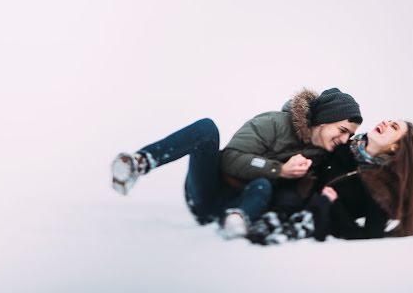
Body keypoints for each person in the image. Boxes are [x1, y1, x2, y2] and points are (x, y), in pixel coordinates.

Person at [110, 87, 363, 239]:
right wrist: (280, 170)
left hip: (242, 203)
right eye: (342, 130)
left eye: (349, 135)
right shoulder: (273, 123)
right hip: (209, 190)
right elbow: (231, 159)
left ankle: (236, 222)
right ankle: (138, 162)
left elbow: (358, 159)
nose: (344, 139)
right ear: (324, 120)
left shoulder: (326, 154)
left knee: (263, 185)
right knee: (207, 129)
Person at [248, 119, 413, 244]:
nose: (385, 123)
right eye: (388, 121)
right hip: (285, 201)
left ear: (395, 147)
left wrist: (334, 205)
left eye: (393, 126)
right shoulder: (342, 145)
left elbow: (368, 235)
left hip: (317, 221)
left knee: (317, 205)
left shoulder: (382, 185)